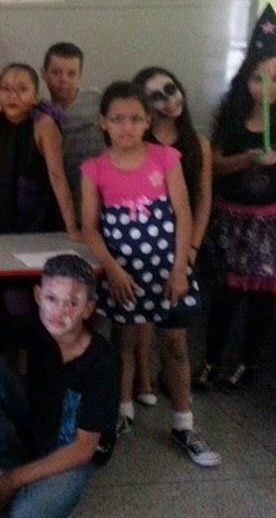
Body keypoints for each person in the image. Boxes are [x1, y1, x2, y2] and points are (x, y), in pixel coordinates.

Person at [81, 81, 219, 466]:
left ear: (147, 121)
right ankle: (122, 412)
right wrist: (112, 270)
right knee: (124, 342)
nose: (126, 127)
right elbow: (90, 227)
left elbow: (183, 214)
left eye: (135, 119)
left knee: (175, 346)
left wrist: (181, 267)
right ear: (103, 122)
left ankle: (184, 423)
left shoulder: (165, 158)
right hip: (124, 275)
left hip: (168, 271)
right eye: (117, 119)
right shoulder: (94, 169)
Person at [0, 255, 119, 518]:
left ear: (88, 309)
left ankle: (17, 472)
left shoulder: (103, 361)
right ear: (38, 296)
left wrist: (14, 480)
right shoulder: (38, 326)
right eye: (51, 298)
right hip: (38, 422)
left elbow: (83, 449)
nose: (59, 312)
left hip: (72, 452)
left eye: (72, 303)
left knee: (24, 513)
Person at [199, 5, 276, 390]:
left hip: (275, 224)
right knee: (226, 297)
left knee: (262, 300)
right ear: (244, 80)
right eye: (258, 78)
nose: (267, 87)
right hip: (234, 222)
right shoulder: (229, 120)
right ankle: (211, 361)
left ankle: (247, 364)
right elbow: (213, 168)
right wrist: (247, 159)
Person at [131, 67, 212, 406]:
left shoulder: (198, 143)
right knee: (141, 323)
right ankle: (142, 377)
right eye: (156, 96)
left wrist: (191, 248)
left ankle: (174, 385)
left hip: (184, 244)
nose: (168, 99)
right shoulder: (138, 144)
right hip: (145, 243)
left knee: (175, 329)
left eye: (171, 88)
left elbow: (203, 199)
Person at [0, 62, 80, 239]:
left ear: (35, 97)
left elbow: (57, 176)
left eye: (22, 89)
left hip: (39, 217)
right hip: (2, 214)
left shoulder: (43, 124)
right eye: (5, 88)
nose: (12, 96)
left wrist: (71, 227)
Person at [41, 42, 104, 214]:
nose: (63, 79)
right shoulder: (40, 111)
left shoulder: (98, 100)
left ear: (80, 76)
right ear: (43, 74)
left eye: (71, 73)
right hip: (60, 198)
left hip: (101, 192)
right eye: (56, 72)